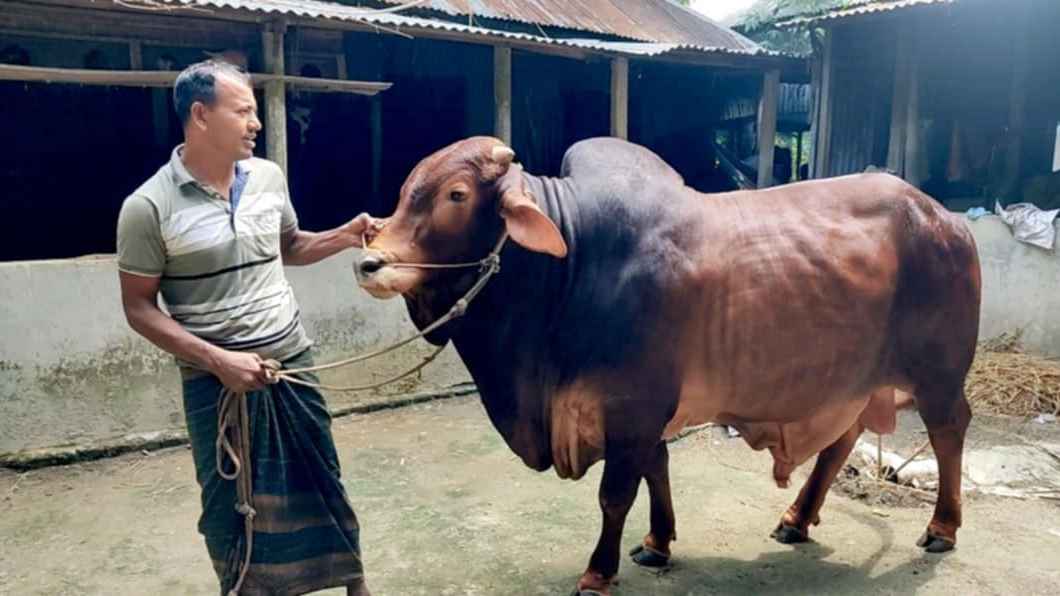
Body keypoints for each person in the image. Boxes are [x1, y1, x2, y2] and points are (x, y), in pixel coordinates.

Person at [117, 59, 374, 596]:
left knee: (321, 477)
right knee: (227, 503)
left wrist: (347, 235)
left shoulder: (268, 178)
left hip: (292, 363)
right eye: (244, 111)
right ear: (200, 115)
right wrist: (218, 361)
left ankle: (353, 583)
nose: (255, 123)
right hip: (215, 383)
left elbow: (289, 248)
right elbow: (139, 309)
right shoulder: (147, 207)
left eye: (255, 111)